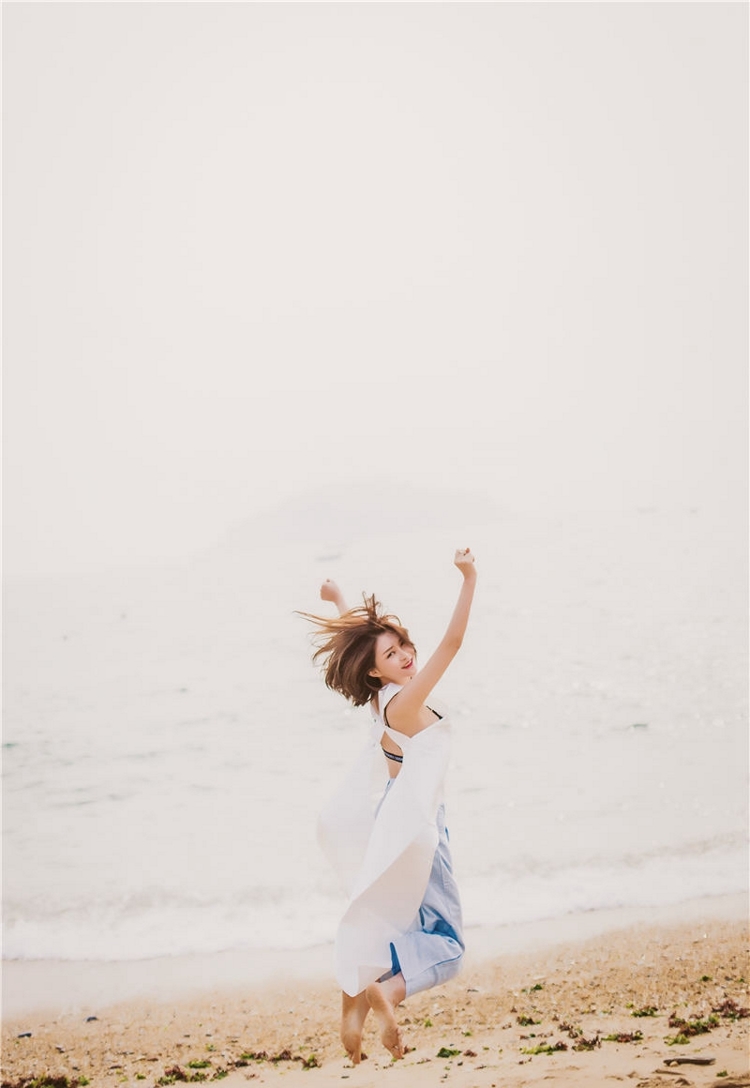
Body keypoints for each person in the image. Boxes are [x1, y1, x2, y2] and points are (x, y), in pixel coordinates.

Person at [298, 547, 477, 1064]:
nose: (404, 655)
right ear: (378, 673)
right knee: (449, 946)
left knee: (398, 920)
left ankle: (359, 993)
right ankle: (387, 990)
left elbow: (364, 644)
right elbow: (453, 642)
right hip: (418, 825)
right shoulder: (407, 700)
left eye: (402, 646)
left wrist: (340, 603)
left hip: (393, 819)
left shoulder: (381, 698)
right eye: (392, 654)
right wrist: (469, 578)